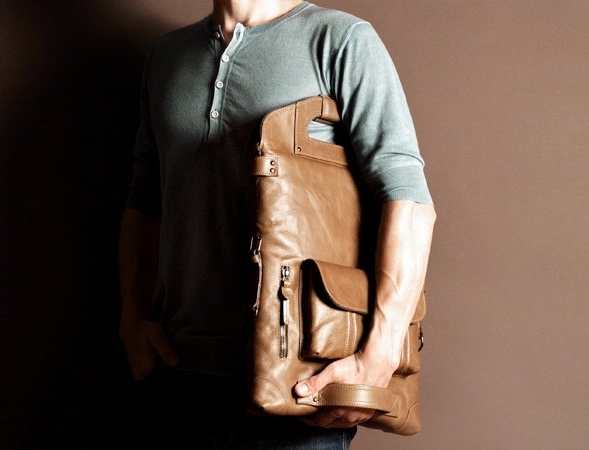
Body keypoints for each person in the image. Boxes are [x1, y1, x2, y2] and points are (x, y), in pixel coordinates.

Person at [117, 0, 437, 448]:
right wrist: (133, 319)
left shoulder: (341, 40)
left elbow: (408, 199)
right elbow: (144, 200)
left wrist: (378, 357)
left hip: (297, 386)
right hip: (175, 378)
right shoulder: (167, 55)